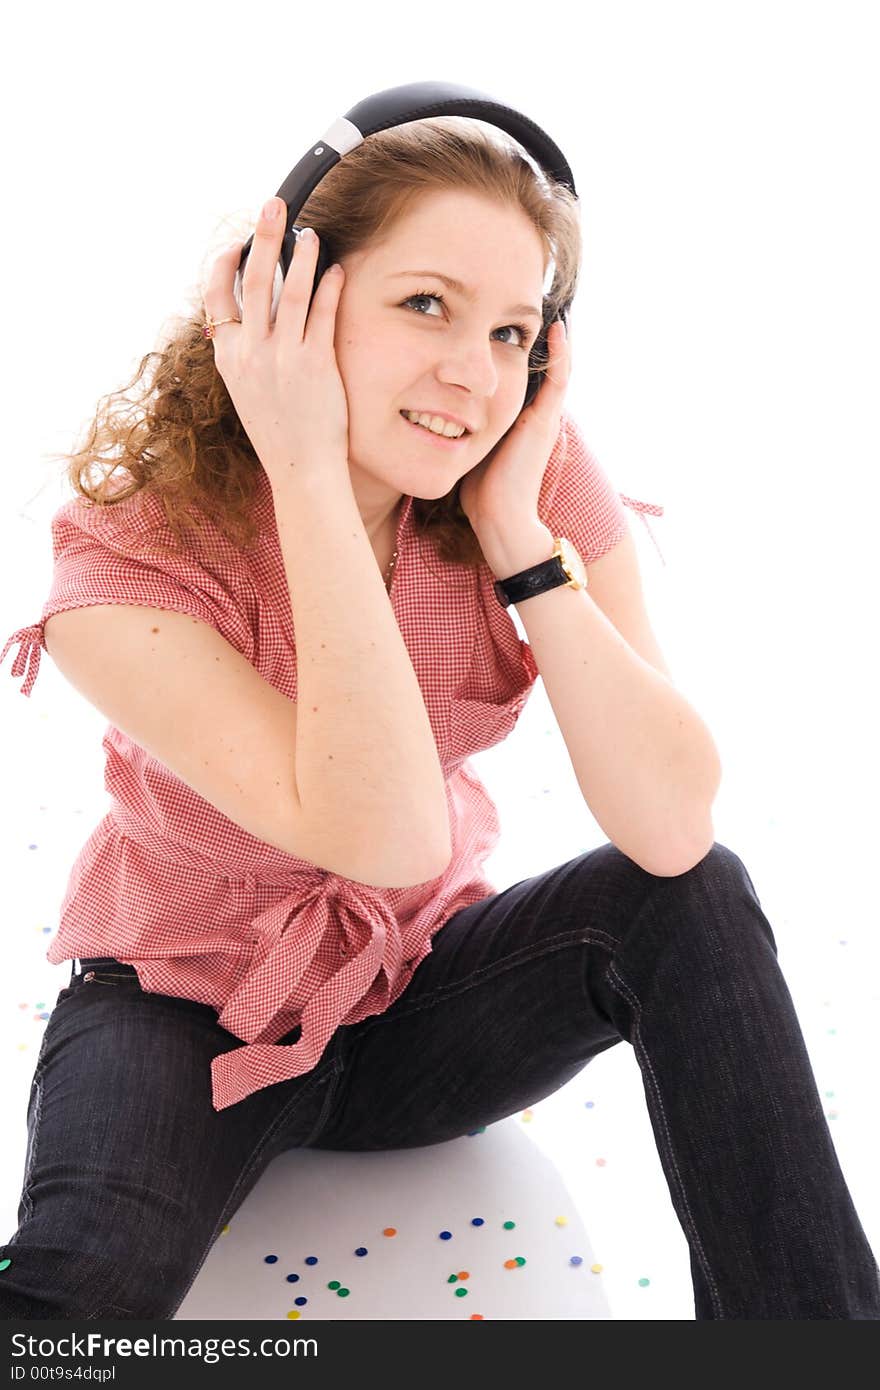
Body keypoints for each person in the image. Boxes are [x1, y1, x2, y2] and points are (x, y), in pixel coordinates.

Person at [1, 114, 877, 1322]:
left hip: (414, 996)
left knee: (695, 896)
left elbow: (671, 828)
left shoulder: (530, 477)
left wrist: (523, 541)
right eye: (426, 305)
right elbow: (386, 832)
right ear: (286, 303)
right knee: (67, 1305)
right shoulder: (128, 555)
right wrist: (306, 466)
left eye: (511, 330)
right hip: (180, 1019)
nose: (475, 372)